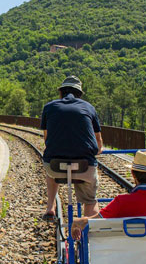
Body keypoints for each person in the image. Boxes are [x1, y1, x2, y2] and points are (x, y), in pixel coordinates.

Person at [40, 75, 103, 221]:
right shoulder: (89, 107)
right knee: (90, 199)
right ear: (80, 94)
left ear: (61, 92)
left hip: (55, 167)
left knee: (50, 171)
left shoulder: (49, 107)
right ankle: (90, 231)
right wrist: (97, 150)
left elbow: (47, 139)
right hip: (84, 167)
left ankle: (50, 207)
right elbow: (98, 142)